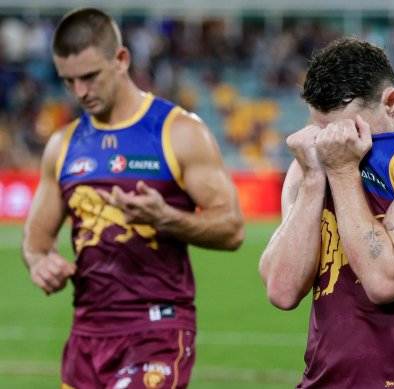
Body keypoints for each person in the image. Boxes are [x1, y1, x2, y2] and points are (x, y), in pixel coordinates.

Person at [21, 8, 244, 389]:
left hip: (157, 328)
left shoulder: (180, 132)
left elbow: (232, 228)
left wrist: (167, 218)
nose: (80, 92)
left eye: (90, 76)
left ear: (122, 59)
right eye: (68, 80)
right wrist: (41, 263)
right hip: (86, 336)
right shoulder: (62, 145)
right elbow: (36, 243)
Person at [259, 37, 394, 388]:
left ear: (391, 101)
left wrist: (344, 173)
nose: (332, 140)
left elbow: (385, 280)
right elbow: (282, 292)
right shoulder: (312, 163)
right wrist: (314, 180)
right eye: (321, 128)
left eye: (347, 128)